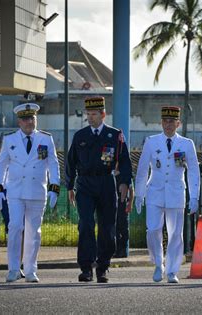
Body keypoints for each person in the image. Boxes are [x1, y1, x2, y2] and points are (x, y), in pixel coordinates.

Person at [65, 96, 132, 283]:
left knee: (107, 226)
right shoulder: (80, 136)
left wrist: (125, 183)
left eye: (94, 114)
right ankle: (86, 268)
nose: (90, 117)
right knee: (86, 224)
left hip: (106, 183)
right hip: (85, 184)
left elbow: (124, 160)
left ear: (103, 114)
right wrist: (70, 185)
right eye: (88, 114)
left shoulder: (114, 135)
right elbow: (71, 162)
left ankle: (103, 267)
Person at [0, 103, 60, 283]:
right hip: (15, 191)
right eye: (25, 119)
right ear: (19, 121)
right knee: (15, 228)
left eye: (31, 118)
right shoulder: (10, 140)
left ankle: (30, 269)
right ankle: (13, 269)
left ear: (35, 119)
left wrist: (55, 187)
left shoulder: (46, 139)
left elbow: (53, 164)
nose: (29, 122)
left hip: (37, 191)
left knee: (34, 232)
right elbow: (1, 166)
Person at [134, 106, 200, 284]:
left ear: (178, 123)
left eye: (172, 121)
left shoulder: (186, 144)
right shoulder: (151, 141)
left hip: (176, 193)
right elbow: (142, 170)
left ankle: (172, 270)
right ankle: (158, 263)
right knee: (153, 229)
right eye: (165, 121)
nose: (168, 124)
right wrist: (139, 194)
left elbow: (193, 171)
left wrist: (194, 196)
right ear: (161, 122)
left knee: (175, 234)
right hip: (155, 192)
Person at [114, 175, 134, 258]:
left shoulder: (126, 173)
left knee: (123, 227)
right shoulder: (111, 172)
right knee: (115, 228)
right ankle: (117, 250)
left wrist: (130, 203)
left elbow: (131, 189)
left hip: (123, 202)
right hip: (113, 202)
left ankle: (124, 251)